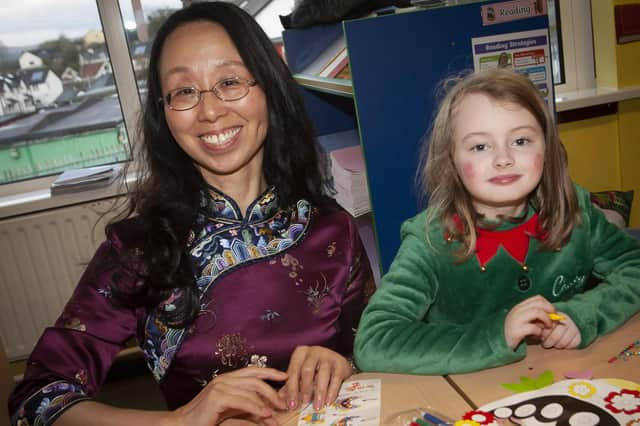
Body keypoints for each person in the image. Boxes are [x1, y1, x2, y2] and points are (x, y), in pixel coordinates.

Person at [9, 3, 374, 425]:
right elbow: (37, 398)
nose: (210, 110)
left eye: (230, 81)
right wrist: (180, 421)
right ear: (163, 113)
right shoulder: (139, 250)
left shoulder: (333, 230)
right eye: (184, 91)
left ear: (270, 91)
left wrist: (345, 364)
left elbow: (375, 347)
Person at [354, 68, 640, 375]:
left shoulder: (574, 212)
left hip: (567, 379)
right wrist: (496, 336)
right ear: (451, 160)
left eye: (520, 140)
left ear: (546, 146)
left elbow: (633, 267)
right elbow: (374, 340)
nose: (503, 158)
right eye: (480, 146)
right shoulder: (430, 240)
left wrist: (585, 315)